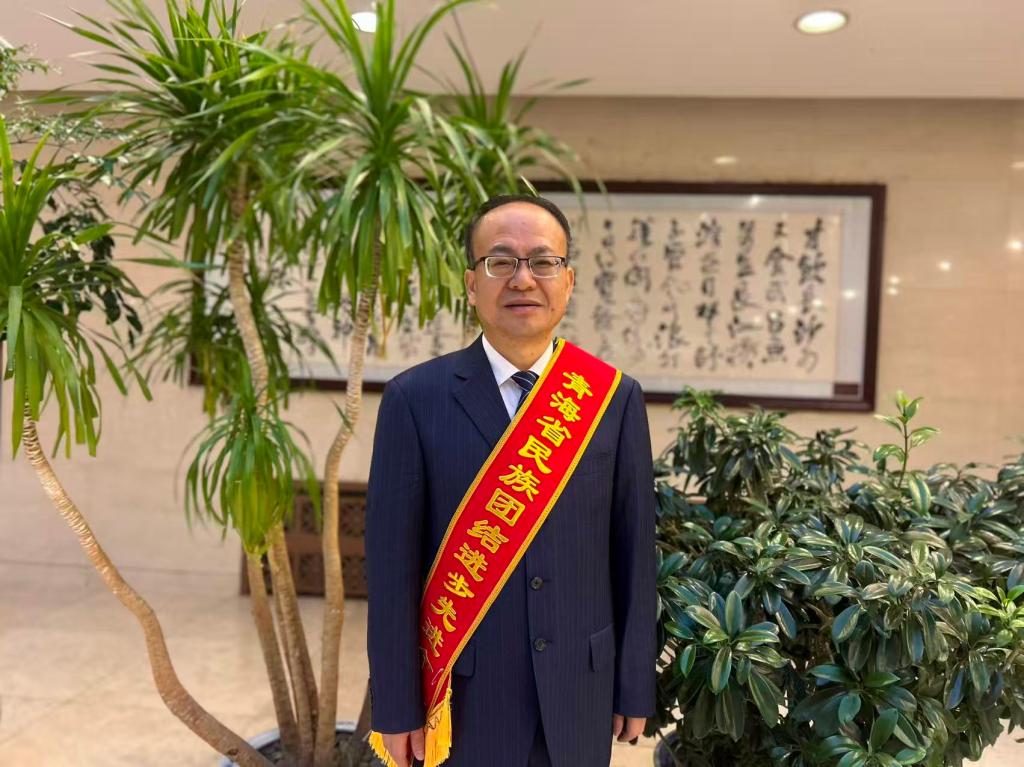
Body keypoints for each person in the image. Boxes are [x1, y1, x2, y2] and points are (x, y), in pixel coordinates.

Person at [364, 194, 657, 767]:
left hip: (581, 686)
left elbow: (634, 556)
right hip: (463, 694)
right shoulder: (413, 399)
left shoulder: (613, 399)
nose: (523, 279)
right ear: (472, 284)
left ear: (568, 281)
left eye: (543, 262)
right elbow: (391, 570)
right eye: (501, 262)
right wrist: (396, 707)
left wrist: (634, 685)